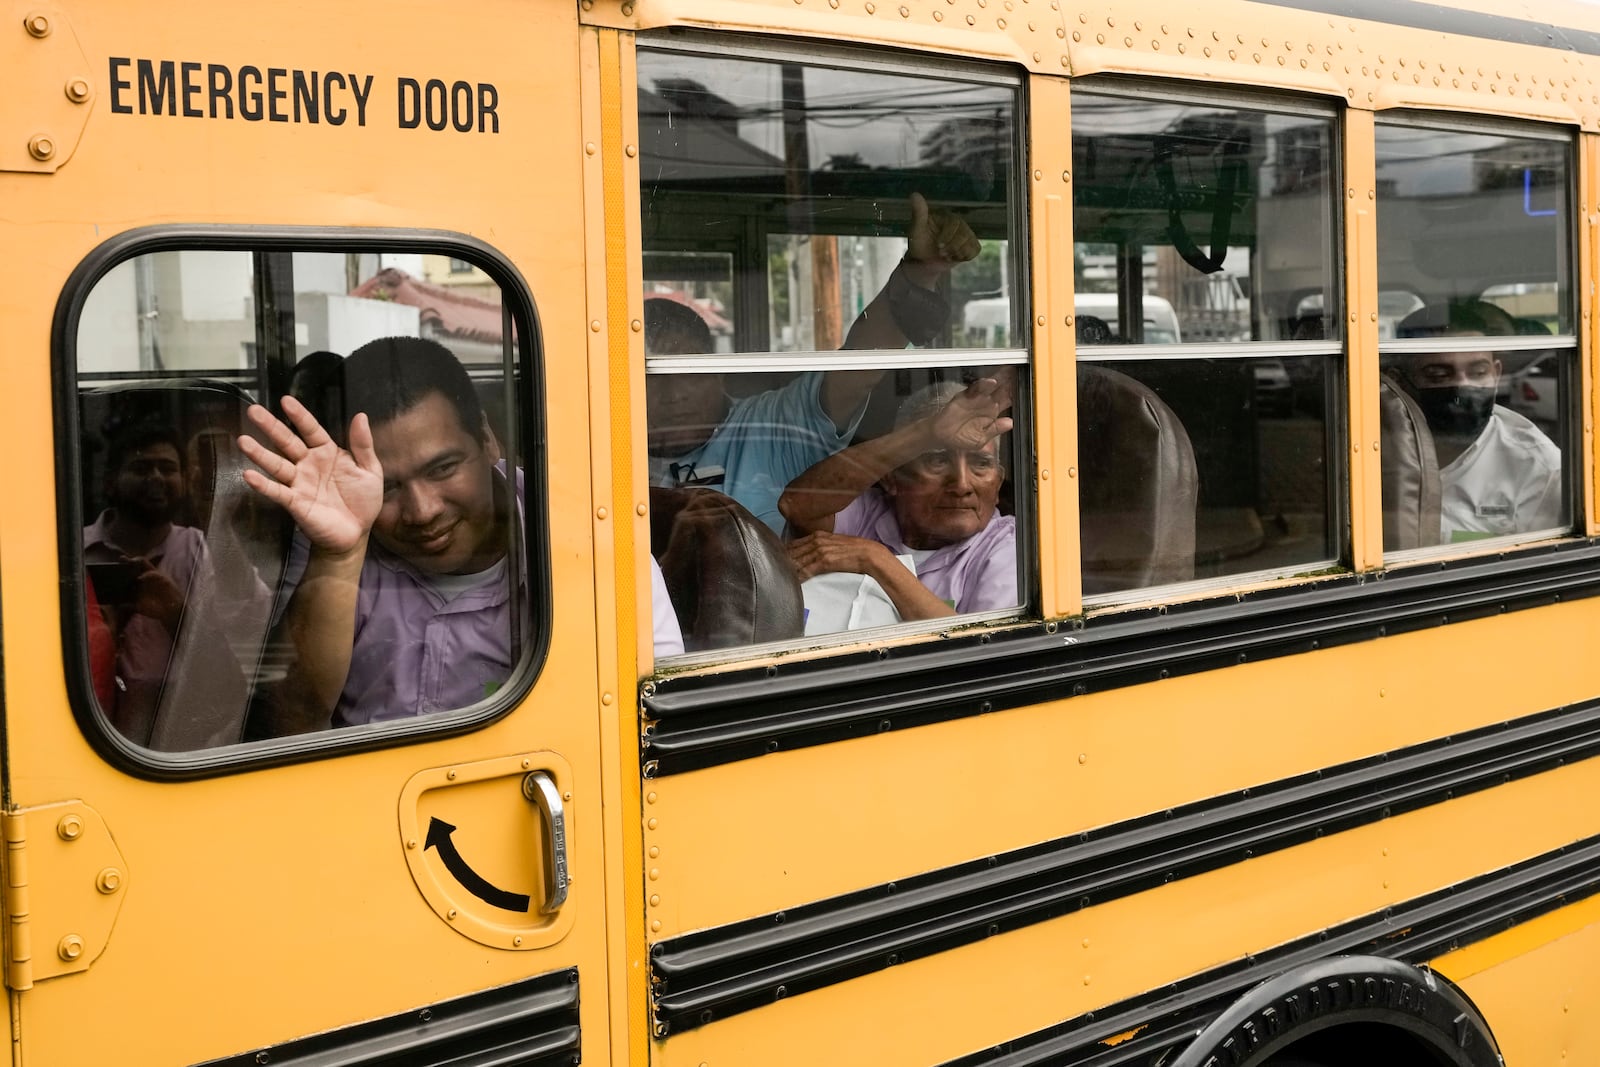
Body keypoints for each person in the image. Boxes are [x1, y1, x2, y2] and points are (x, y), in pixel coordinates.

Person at [240, 336, 682, 732]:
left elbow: (650, 725)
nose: (422, 511)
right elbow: (286, 725)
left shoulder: (590, 538)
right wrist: (338, 557)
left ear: (488, 439)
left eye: (443, 468)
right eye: (388, 486)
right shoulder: (340, 528)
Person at [646, 192, 982, 532]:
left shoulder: (769, 427)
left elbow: (857, 371)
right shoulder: (601, 453)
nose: (673, 394)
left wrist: (919, 273)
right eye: (652, 376)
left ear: (716, 372)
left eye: (687, 371)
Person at [83, 421, 267, 745]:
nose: (156, 478)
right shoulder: (75, 550)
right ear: (110, 481)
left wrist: (175, 611)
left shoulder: (199, 548)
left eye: (167, 468)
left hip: (180, 739)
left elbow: (253, 614)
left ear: (184, 481)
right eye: (142, 468)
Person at [778, 378, 1016, 625]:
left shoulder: (1007, 549)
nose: (962, 485)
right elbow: (794, 505)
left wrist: (875, 560)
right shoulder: (871, 513)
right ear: (892, 478)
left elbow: (980, 650)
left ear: (997, 485)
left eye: (981, 464)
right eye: (937, 461)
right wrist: (927, 433)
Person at [1393, 300, 1562, 542]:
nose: (1462, 387)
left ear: (1496, 373)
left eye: (1478, 373)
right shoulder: (1377, 445)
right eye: (1438, 375)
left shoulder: (1539, 470)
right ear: (1400, 381)